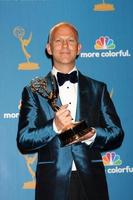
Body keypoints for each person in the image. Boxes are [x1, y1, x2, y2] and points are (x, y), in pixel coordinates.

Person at [17, 22, 124, 200]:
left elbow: (117, 133)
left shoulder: (99, 89)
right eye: (58, 41)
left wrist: (91, 134)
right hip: (52, 184)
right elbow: (24, 139)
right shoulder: (33, 91)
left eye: (70, 40)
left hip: (92, 183)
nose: (65, 46)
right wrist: (55, 126)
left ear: (79, 48)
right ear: (49, 48)